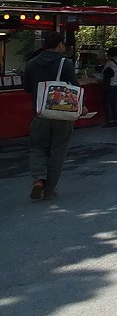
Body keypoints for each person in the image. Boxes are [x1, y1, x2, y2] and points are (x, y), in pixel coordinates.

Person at [24, 32, 82, 200]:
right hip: (62, 114)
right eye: (63, 44)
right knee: (58, 151)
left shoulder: (32, 63)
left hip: (40, 112)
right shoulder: (66, 63)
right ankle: (49, 189)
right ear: (58, 45)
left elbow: (27, 88)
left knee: (38, 147)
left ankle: (38, 178)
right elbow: (75, 88)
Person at [102, 46, 117, 128]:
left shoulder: (109, 63)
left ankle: (109, 120)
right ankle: (115, 119)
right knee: (115, 102)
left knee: (107, 102)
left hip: (110, 84)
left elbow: (104, 74)